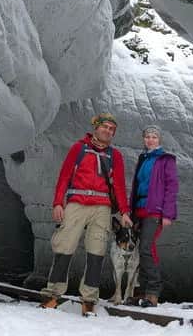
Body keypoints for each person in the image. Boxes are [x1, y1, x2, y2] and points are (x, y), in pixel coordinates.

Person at [40, 112, 132, 316]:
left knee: (96, 252)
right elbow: (64, 176)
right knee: (64, 247)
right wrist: (58, 202)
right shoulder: (79, 148)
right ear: (96, 128)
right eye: (105, 127)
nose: (108, 131)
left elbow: (118, 185)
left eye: (111, 129)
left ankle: (89, 299)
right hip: (76, 203)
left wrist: (124, 212)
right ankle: (52, 294)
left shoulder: (114, 155)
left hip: (102, 207)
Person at [128, 125, 179, 307]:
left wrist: (167, 214)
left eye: (154, 137)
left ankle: (153, 292)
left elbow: (171, 187)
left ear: (159, 140)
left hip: (154, 210)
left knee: (147, 248)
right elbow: (137, 186)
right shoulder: (143, 158)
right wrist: (130, 210)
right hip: (139, 209)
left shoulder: (166, 160)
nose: (150, 140)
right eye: (147, 136)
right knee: (140, 249)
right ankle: (140, 291)